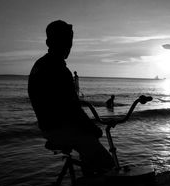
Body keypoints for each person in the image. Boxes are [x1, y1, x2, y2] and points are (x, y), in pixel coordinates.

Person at [28, 20, 114, 175]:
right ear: (49, 42)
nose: (68, 46)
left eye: (69, 42)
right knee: (107, 163)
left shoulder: (40, 64)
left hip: (48, 126)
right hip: (60, 127)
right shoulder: (58, 69)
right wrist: (92, 128)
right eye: (64, 41)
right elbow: (72, 109)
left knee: (89, 153)